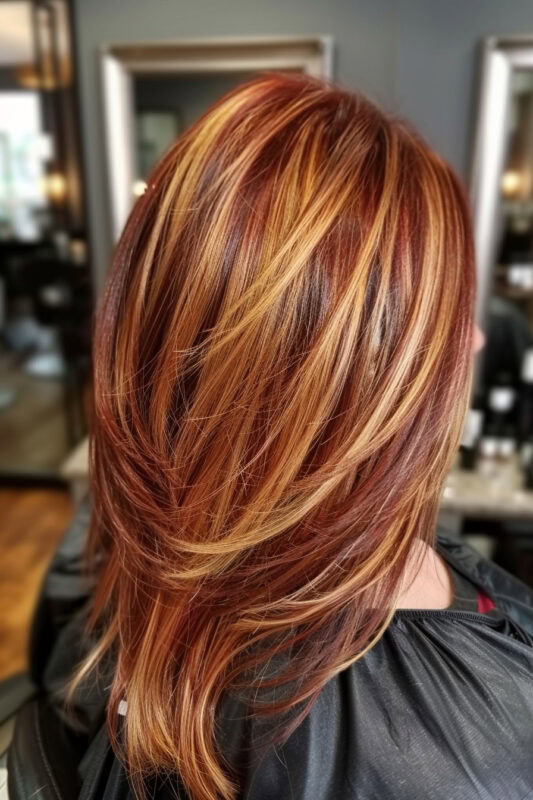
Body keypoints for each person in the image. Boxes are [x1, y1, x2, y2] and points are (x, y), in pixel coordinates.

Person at [7, 73, 533, 800]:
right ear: (363, 374)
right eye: (446, 315)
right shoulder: (482, 739)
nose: (473, 339)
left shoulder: (143, 551)